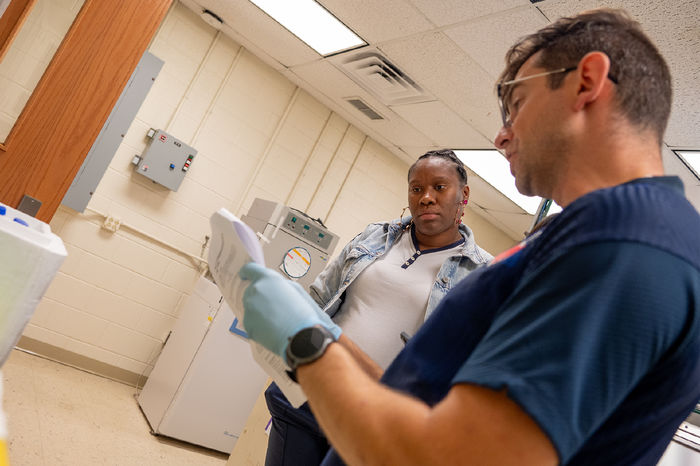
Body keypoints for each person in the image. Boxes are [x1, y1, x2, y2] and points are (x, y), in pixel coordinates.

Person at [237, 8, 700, 465]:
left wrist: (305, 345)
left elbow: (451, 457)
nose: (502, 136)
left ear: (586, 82)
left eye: (516, 104)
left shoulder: (623, 245)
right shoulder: (603, 232)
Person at [264, 149, 493, 465]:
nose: (426, 197)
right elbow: (319, 298)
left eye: (439, 187)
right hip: (309, 389)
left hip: (373, 416)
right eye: (417, 188)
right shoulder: (376, 236)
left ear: (463, 195)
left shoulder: (481, 273)